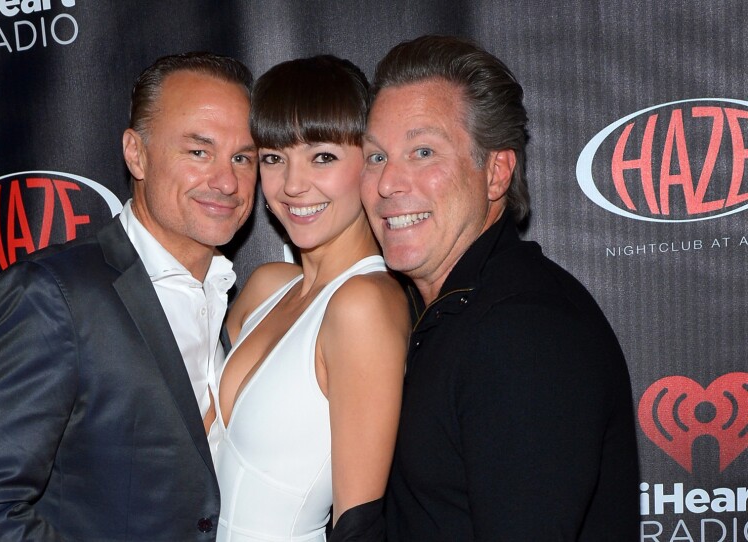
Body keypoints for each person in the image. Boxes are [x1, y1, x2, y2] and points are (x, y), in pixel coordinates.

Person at [0, 52, 258, 541]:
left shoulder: (232, 296)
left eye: (243, 157)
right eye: (199, 151)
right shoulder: (52, 293)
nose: (226, 181)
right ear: (136, 153)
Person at [360, 35, 640, 541]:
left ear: (496, 173)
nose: (387, 183)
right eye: (376, 157)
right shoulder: (451, 313)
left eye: (423, 151)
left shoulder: (523, 332)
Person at [205, 55, 410, 541]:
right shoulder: (267, 286)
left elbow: (358, 524)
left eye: (322, 157)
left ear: (370, 159)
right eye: (274, 158)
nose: (292, 186)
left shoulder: (363, 305)